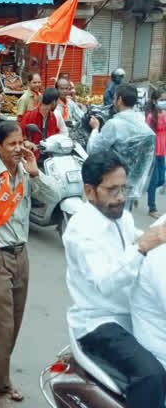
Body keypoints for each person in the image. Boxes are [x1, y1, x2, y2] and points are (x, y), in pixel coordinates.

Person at [0, 106, 59, 408]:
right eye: (13, 144)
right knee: (3, 323)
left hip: (21, 255)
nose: (20, 148)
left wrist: (36, 173)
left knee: (15, 321)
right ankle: (2, 389)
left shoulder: (26, 172)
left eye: (22, 143)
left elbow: (51, 196)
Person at [64, 152, 166, 408]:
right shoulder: (80, 229)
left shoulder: (121, 216)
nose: (121, 196)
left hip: (131, 314)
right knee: (151, 374)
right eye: (112, 189)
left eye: (124, 188)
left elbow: (139, 238)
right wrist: (141, 246)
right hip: (99, 322)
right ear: (90, 191)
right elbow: (105, 282)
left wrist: (151, 239)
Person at [88, 83, 155, 208]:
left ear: (119, 99)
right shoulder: (142, 121)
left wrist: (95, 129)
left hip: (113, 182)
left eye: (114, 97)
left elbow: (93, 150)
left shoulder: (114, 125)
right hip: (133, 182)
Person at [20, 87, 67, 158]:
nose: (57, 104)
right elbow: (20, 134)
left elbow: (55, 134)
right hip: (32, 156)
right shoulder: (30, 115)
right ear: (53, 102)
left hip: (48, 155)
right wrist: (26, 141)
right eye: (57, 101)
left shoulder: (52, 117)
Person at [146, 89, 166, 218]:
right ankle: (152, 208)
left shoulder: (164, 113)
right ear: (154, 101)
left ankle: (145, 188)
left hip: (162, 150)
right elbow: (147, 134)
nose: (164, 102)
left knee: (161, 179)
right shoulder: (150, 116)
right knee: (154, 180)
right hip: (153, 150)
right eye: (161, 100)